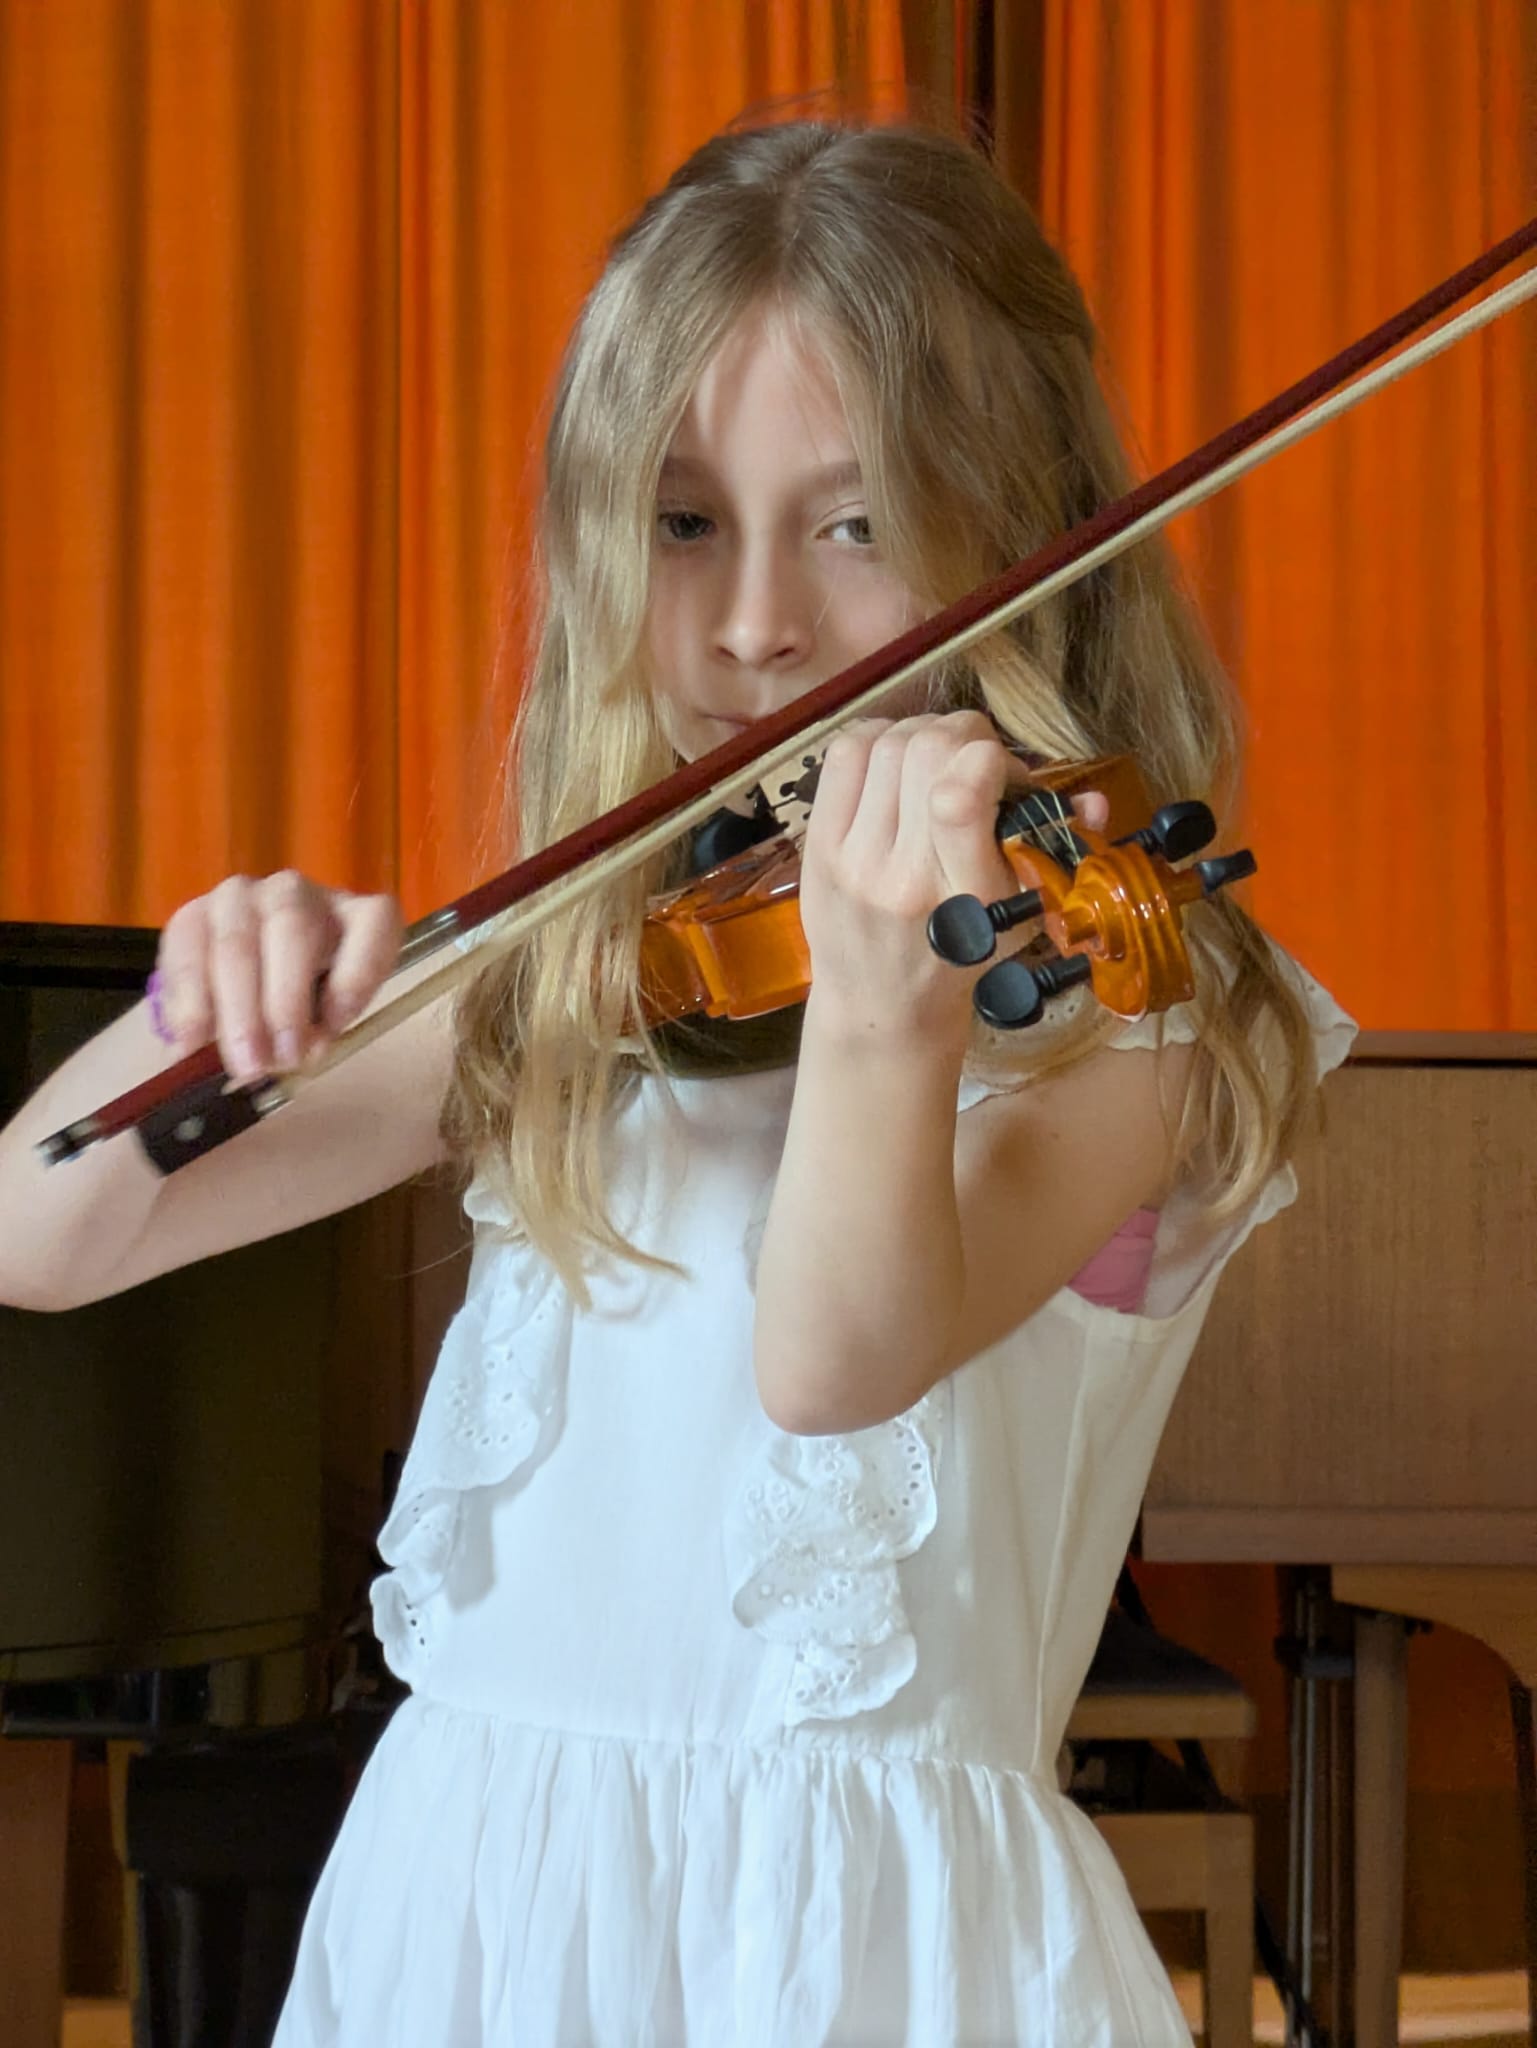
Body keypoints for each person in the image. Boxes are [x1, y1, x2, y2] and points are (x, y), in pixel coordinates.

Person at [0, 121, 1354, 2046]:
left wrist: (889, 1010)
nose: (752, 622)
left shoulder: (1134, 1015)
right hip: (482, 1911)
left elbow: (833, 1364)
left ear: (1025, 527)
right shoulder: (585, 972)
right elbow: (40, 1236)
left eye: (855, 524)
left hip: (862, 1951)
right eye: (684, 522)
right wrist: (196, 999)